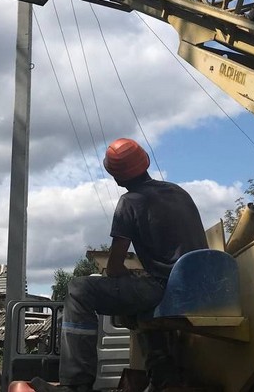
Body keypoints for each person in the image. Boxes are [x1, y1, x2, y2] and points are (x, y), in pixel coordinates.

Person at [55, 138, 208, 392]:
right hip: (200, 285)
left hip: (166, 287)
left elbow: (115, 268)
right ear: (145, 162)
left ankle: (74, 384)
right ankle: (164, 377)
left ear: (116, 177)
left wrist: (127, 277)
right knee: (137, 305)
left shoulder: (130, 202)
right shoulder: (179, 192)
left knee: (78, 290)